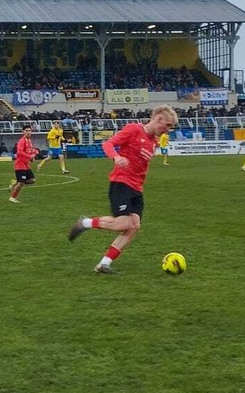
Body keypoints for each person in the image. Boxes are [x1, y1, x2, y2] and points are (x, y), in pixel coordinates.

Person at [67, 105, 178, 274]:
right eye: (168, 125)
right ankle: (85, 223)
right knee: (124, 223)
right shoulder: (133, 129)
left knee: (134, 226)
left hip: (136, 189)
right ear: (159, 119)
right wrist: (116, 157)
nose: (168, 130)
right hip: (121, 183)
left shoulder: (153, 142)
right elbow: (109, 144)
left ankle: (104, 264)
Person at [8, 125, 39, 203]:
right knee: (21, 182)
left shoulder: (29, 141)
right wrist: (29, 156)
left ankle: (15, 183)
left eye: (30, 131)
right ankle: (12, 197)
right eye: (26, 131)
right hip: (20, 165)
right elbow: (19, 152)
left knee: (32, 180)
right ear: (23, 132)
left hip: (26, 165)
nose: (28, 132)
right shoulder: (21, 141)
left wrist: (33, 155)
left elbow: (29, 151)